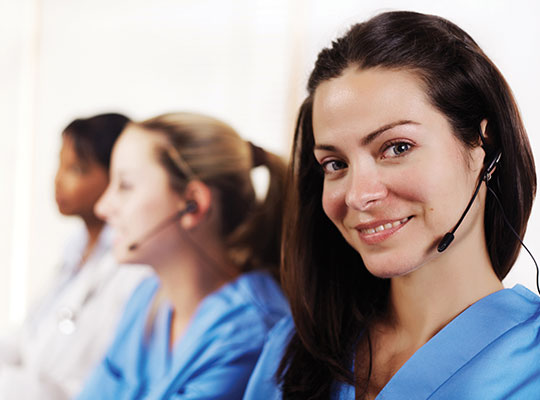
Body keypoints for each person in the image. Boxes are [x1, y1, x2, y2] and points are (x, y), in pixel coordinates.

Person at [243, 10, 539, 400]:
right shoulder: (291, 349)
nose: (357, 195)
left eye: (397, 148)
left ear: (486, 144)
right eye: (335, 164)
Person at [77, 111, 290, 399]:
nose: (103, 207)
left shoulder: (246, 332)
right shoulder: (146, 297)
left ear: (193, 204)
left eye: (125, 186)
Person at [0, 113, 151, 399]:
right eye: (60, 164)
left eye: (77, 169)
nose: (58, 180)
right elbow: (30, 334)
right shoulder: (75, 248)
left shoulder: (133, 268)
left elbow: (89, 379)